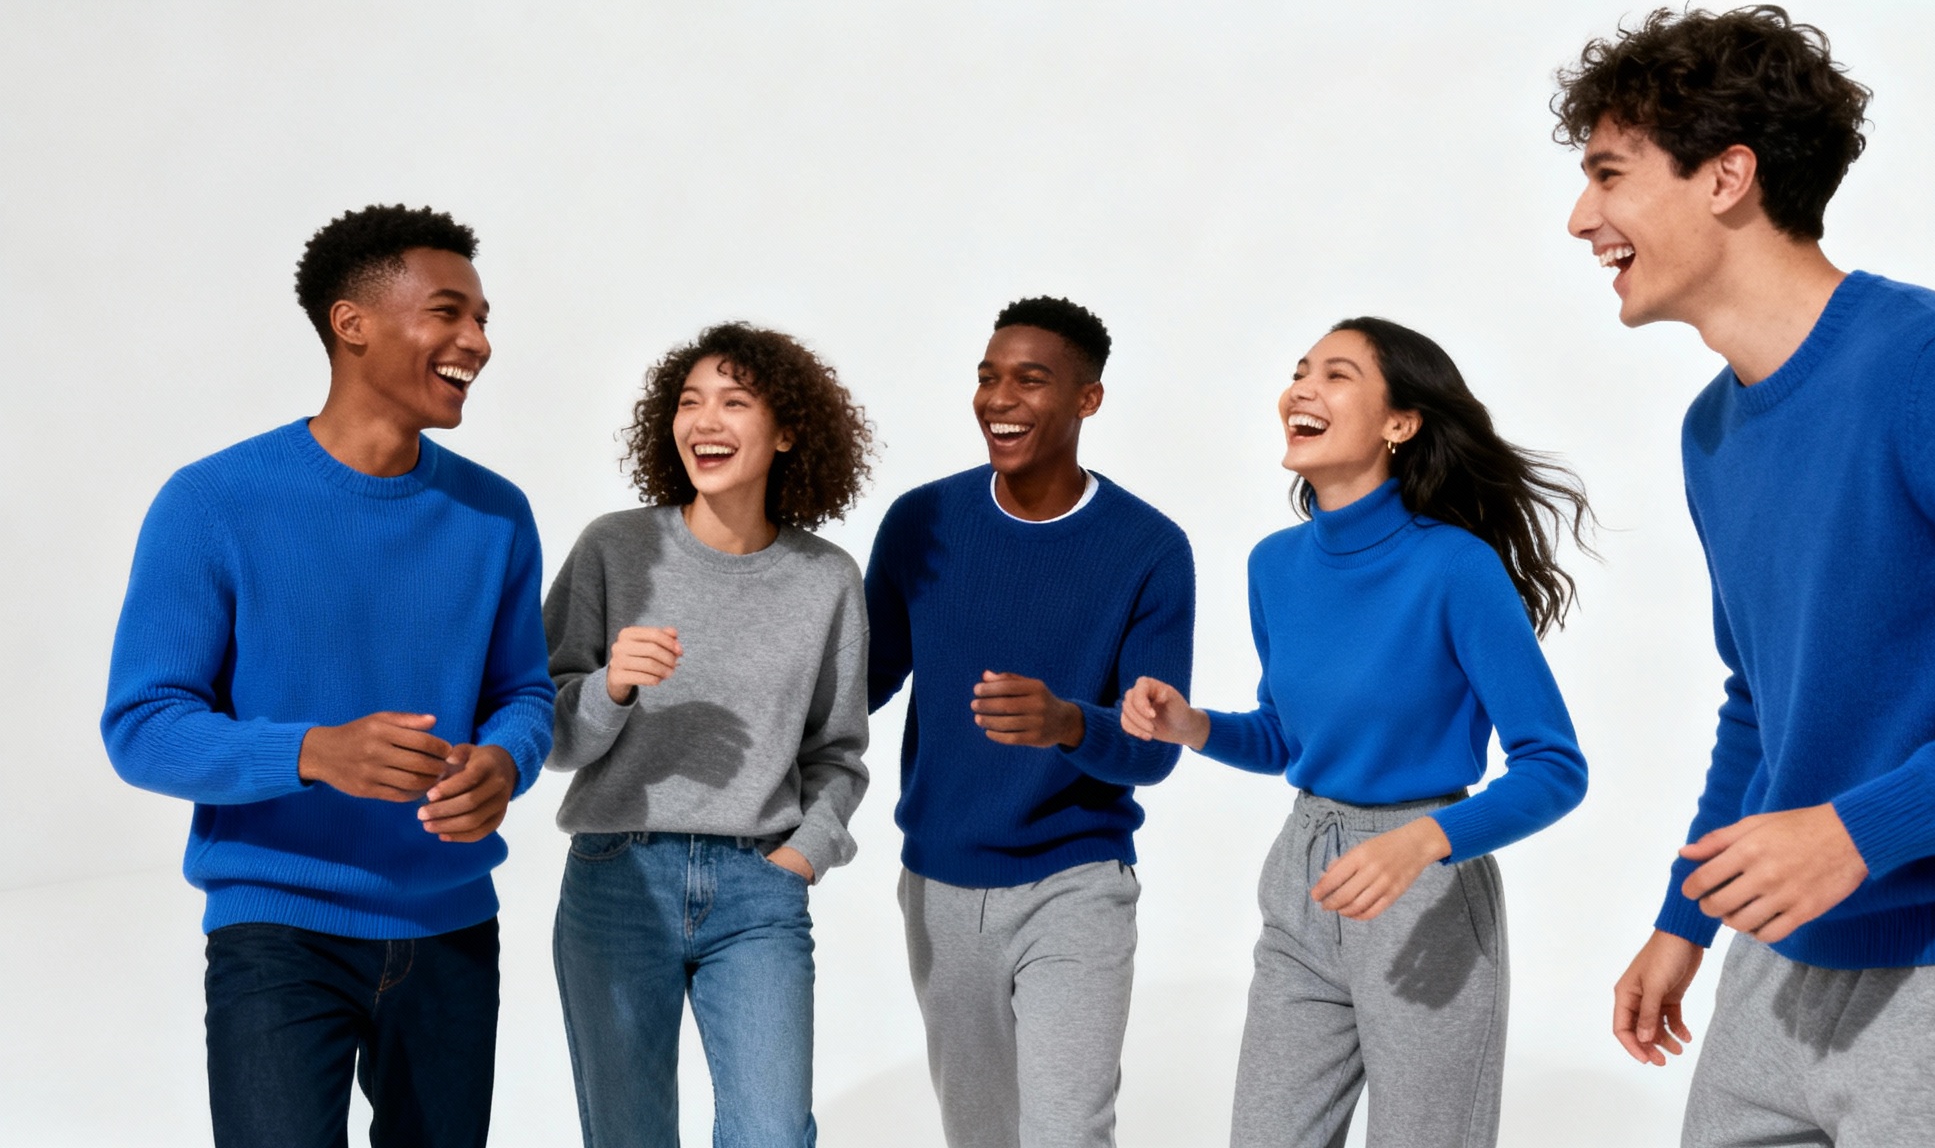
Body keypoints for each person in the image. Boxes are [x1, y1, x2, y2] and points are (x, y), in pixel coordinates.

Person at [1558, 6, 1935, 1145]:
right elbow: (1762, 703)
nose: (1580, 217)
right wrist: (1686, 916)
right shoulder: (1711, 431)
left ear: (1726, 176)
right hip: (1775, 970)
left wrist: (1860, 832)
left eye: (1609, 175)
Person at [100, 204, 554, 1148]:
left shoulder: (496, 515)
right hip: (277, 932)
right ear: (353, 323)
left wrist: (506, 762)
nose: (478, 342)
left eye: (482, 319)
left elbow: (524, 695)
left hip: (451, 929)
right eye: (448, 312)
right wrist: (311, 752)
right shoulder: (213, 502)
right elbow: (143, 725)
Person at [1122, 317, 1591, 1148]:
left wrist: (1426, 841)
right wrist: (1193, 726)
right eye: (1300, 370)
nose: (1302, 389)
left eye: (1336, 375)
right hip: (1303, 877)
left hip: (1427, 890)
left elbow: (1554, 766)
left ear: (1399, 423)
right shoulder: (1274, 564)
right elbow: (1285, 736)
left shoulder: (1456, 567)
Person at [864, 296, 1196, 1148]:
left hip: (1076, 881)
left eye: (1030, 380)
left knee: (1066, 1132)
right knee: (979, 1134)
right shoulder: (921, 523)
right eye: (988, 377)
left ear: (1088, 399)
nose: (999, 399)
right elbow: (856, 686)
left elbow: (1154, 753)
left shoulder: (1150, 549)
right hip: (940, 882)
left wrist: (1068, 723)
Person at [543, 322, 875, 1148]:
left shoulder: (826, 579)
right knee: (628, 1136)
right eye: (690, 402)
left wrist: (805, 854)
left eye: (734, 402)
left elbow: (837, 752)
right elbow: (547, 736)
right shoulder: (614, 550)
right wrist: (610, 687)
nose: (705, 422)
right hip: (618, 881)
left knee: (772, 1135)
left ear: (787, 431)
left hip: (759, 891)